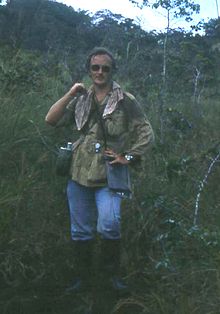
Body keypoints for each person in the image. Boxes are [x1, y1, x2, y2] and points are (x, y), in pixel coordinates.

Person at [45, 47, 154, 293]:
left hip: (108, 175)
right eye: (95, 67)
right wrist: (71, 92)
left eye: (105, 68)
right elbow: (50, 120)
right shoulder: (81, 99)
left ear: (112, 70)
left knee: (110, 224)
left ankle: (111, 279)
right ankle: (82, 279)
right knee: (80, 229)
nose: (100, 72)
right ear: (89, 70)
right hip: (79, 172)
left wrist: (127, 156)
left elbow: (146, 133)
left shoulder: (126, 100)